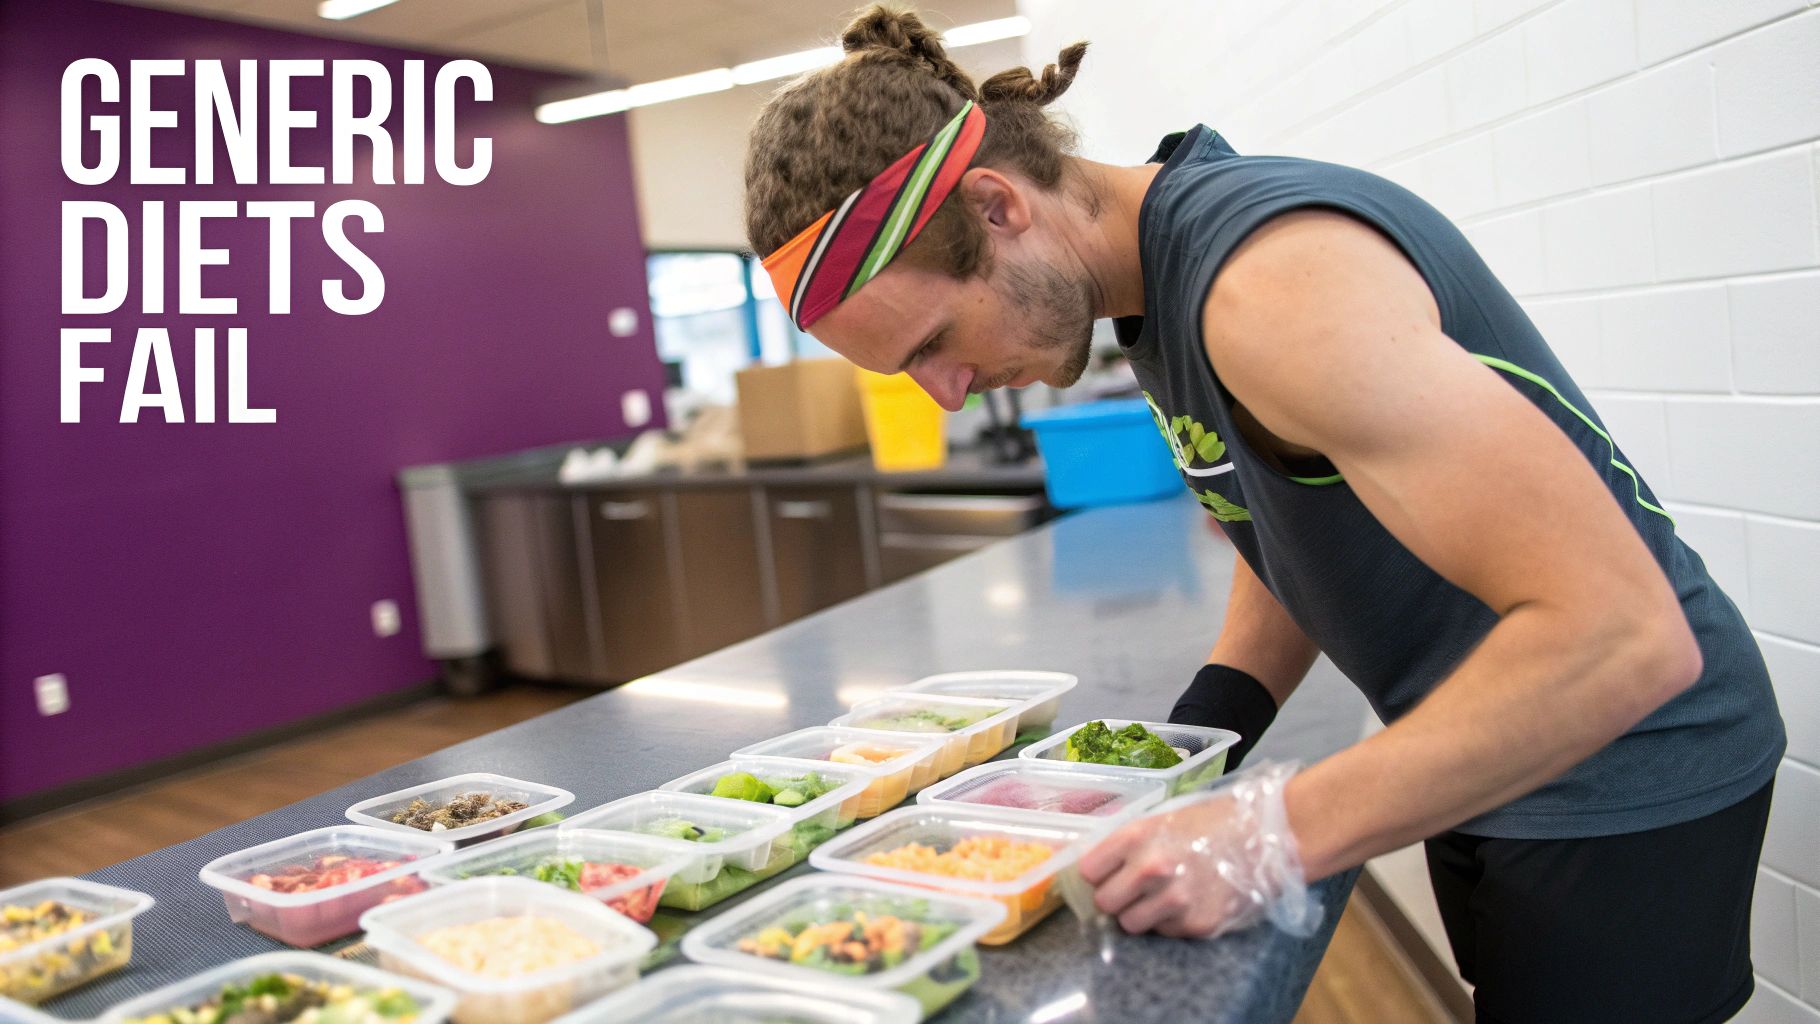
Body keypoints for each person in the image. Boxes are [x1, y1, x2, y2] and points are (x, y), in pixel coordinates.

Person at [741, 7, 1787, 1022]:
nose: (947, 393)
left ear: (997, 205)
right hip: (1498, 746)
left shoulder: (1264, 290)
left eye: (931, 339)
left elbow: (1624, 637)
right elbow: (1285, 506)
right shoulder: (1150, 274)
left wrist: (1267, 832)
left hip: (1624, 762)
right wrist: (1200, 738)